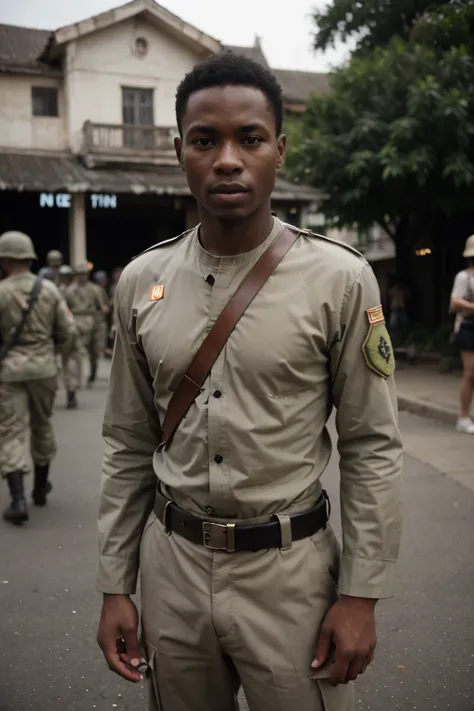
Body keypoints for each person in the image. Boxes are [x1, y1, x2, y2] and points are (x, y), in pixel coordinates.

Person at [96, 53, 402, 711]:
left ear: (279, 151)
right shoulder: (138, 282)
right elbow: (126, 445)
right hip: (172, 567)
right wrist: (115, 584)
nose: (227, 159)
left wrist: (359, 595)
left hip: (290, 573)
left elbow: (373, 447)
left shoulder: (340, 279)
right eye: (206, 140)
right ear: (180, 151)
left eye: (250, 139)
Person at [0, 231, 73, 525]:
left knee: (10, 431)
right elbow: (66, 332)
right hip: (44, 369)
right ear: (28, 258)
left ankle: (18, 499)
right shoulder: (50, 291)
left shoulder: (1, 291)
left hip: (10, 370)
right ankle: (40, 488)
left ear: (5, 259)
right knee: (42, 425)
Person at [64, 261, 108, 408]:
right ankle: (73, 386)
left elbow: (103, 307)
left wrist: (103, 311)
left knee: (95, 353)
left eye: (84, 274)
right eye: (79, 274)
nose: (82, 277)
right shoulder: (69, 291)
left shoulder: (95, 290)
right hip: (76, 324)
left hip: (93, 322)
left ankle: (92, 374)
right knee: (75, 355)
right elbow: (64, 310)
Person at [450, 234, 474, 434]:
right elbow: (455, 301)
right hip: (468, 326)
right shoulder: (464, 277)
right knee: (470, 373)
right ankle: (463, 416)